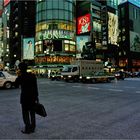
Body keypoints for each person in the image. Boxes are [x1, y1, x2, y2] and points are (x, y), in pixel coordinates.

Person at [15, 62, 39, 134]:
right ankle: (33, 127)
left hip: (25, 98)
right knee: (32, 113)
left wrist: (18, 75)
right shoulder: (32, 75)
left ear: (20, 69)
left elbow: (16, 85)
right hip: (32, 97)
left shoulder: (21, 76)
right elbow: (35, 87)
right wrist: (36, 97)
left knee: (25, 114)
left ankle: (27, 128)